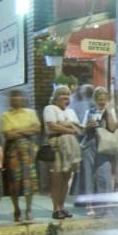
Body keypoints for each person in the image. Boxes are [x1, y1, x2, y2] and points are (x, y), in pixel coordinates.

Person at [43, 86, 83, 220]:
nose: (65, 97)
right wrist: (69, 127)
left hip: (71, 146)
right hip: (57, 145)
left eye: (68, 95)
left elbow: (78, 127)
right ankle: (56, 209)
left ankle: (62, 206)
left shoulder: (71, 111)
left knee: (66, 178)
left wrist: (64, 124)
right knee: (57, 179)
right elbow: (52, 126)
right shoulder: (50, 109)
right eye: (62, 94)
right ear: (56, 96)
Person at [1, 90, 40, 223]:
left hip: (29, 151)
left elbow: (36, 129)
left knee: (30, 180)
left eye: (19, 96)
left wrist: (17, 131)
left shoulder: (31, 113)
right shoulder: (6, 115)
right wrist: (26, 131)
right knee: (15, 182)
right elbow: (8, 135)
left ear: (23, 98)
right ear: (10, 99)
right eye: (14, 96)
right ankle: (16, 209)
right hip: (13, 151)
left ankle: (29, 209)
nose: (17, 98)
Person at [80, 87, 118, 217]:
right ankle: (90, 206)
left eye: (104, 99)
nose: (102, 102)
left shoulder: (110, 111)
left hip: (104, 146)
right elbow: (82, 131)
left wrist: (107, 111)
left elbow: (113, 128)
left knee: (104, 176)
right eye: (100, 100)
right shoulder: (89, 112)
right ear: (95, 100)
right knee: (89, 176)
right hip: (89, 145)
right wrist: (88, 126)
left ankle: (105, 206)